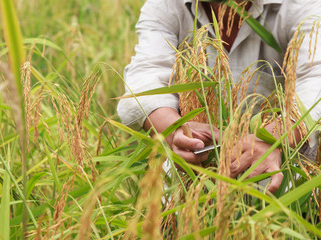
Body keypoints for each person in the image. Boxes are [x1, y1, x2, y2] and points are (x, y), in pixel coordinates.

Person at [117, 0, 321, 193]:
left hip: (291, 180)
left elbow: (316, 80)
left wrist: (271, 139)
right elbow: (145, 77)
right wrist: (175, 130)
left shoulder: (300, 5)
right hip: (194, 178)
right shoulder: (166, 5)